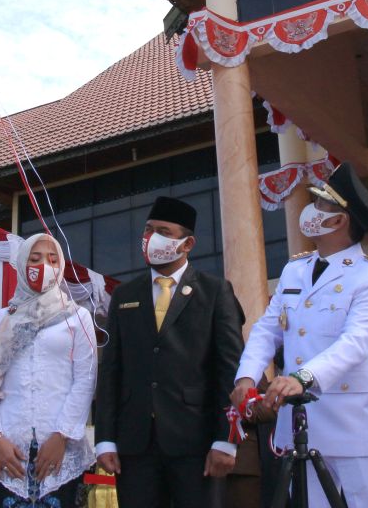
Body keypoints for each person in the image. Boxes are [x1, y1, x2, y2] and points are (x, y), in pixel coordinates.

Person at [232, 163, 368, 508]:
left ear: (340, 221)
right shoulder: (295, 269)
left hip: (351, 421)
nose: (312, 209)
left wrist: (303, 377)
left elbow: (357, 341)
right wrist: (247, 376)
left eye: (322, 204)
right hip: (301, 422)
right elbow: (267, 328)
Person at [94, 196, 245, 508]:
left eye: (163, 231)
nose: (151, 238)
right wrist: (105, 438)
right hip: (135, 446)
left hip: (197, 442)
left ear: (187, 243)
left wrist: (225, 440)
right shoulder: (124, 294)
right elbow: (110, 372)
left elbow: (229, 370)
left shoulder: (215, 291)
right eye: (148, 229)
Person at [0, 233, 96, 507]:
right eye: (35, 258)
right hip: (9, 448)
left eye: (53, 259)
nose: (44, 266)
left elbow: (85, 380)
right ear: (21, 262)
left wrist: (61, 436)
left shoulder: (78, 317)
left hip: (59, 448)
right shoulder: (3, 319)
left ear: (62, 265)